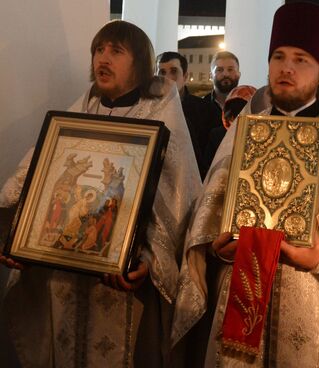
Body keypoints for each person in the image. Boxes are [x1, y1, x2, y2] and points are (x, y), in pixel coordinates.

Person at [172, 3, 319, 367]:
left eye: (301, 59)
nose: (287, 68)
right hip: (239, 289)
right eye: (278, 56)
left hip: (315, 298)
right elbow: (210, 215)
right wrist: (217, 248)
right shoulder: (242, 134)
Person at [0, 20, 201, 367]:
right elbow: (33, 182)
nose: (102, 59)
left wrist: (149, 261)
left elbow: (177, 207)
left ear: (139, 62)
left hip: (121, 288)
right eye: (98, 50)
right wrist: (20, 236)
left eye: (116, 51)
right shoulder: (77, 117)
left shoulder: (161, 120)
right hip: (65, 279)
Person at [157, 51, 215, 180]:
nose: (167, 78)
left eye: (173, 72)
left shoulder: (205, 110)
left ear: (185, 76)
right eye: (162, 72)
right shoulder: (147, 110)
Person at [201, 85, 257, 175]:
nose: (237, 122)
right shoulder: (217, 135)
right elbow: (207, 169)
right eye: (233, 117)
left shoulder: (260, 137)